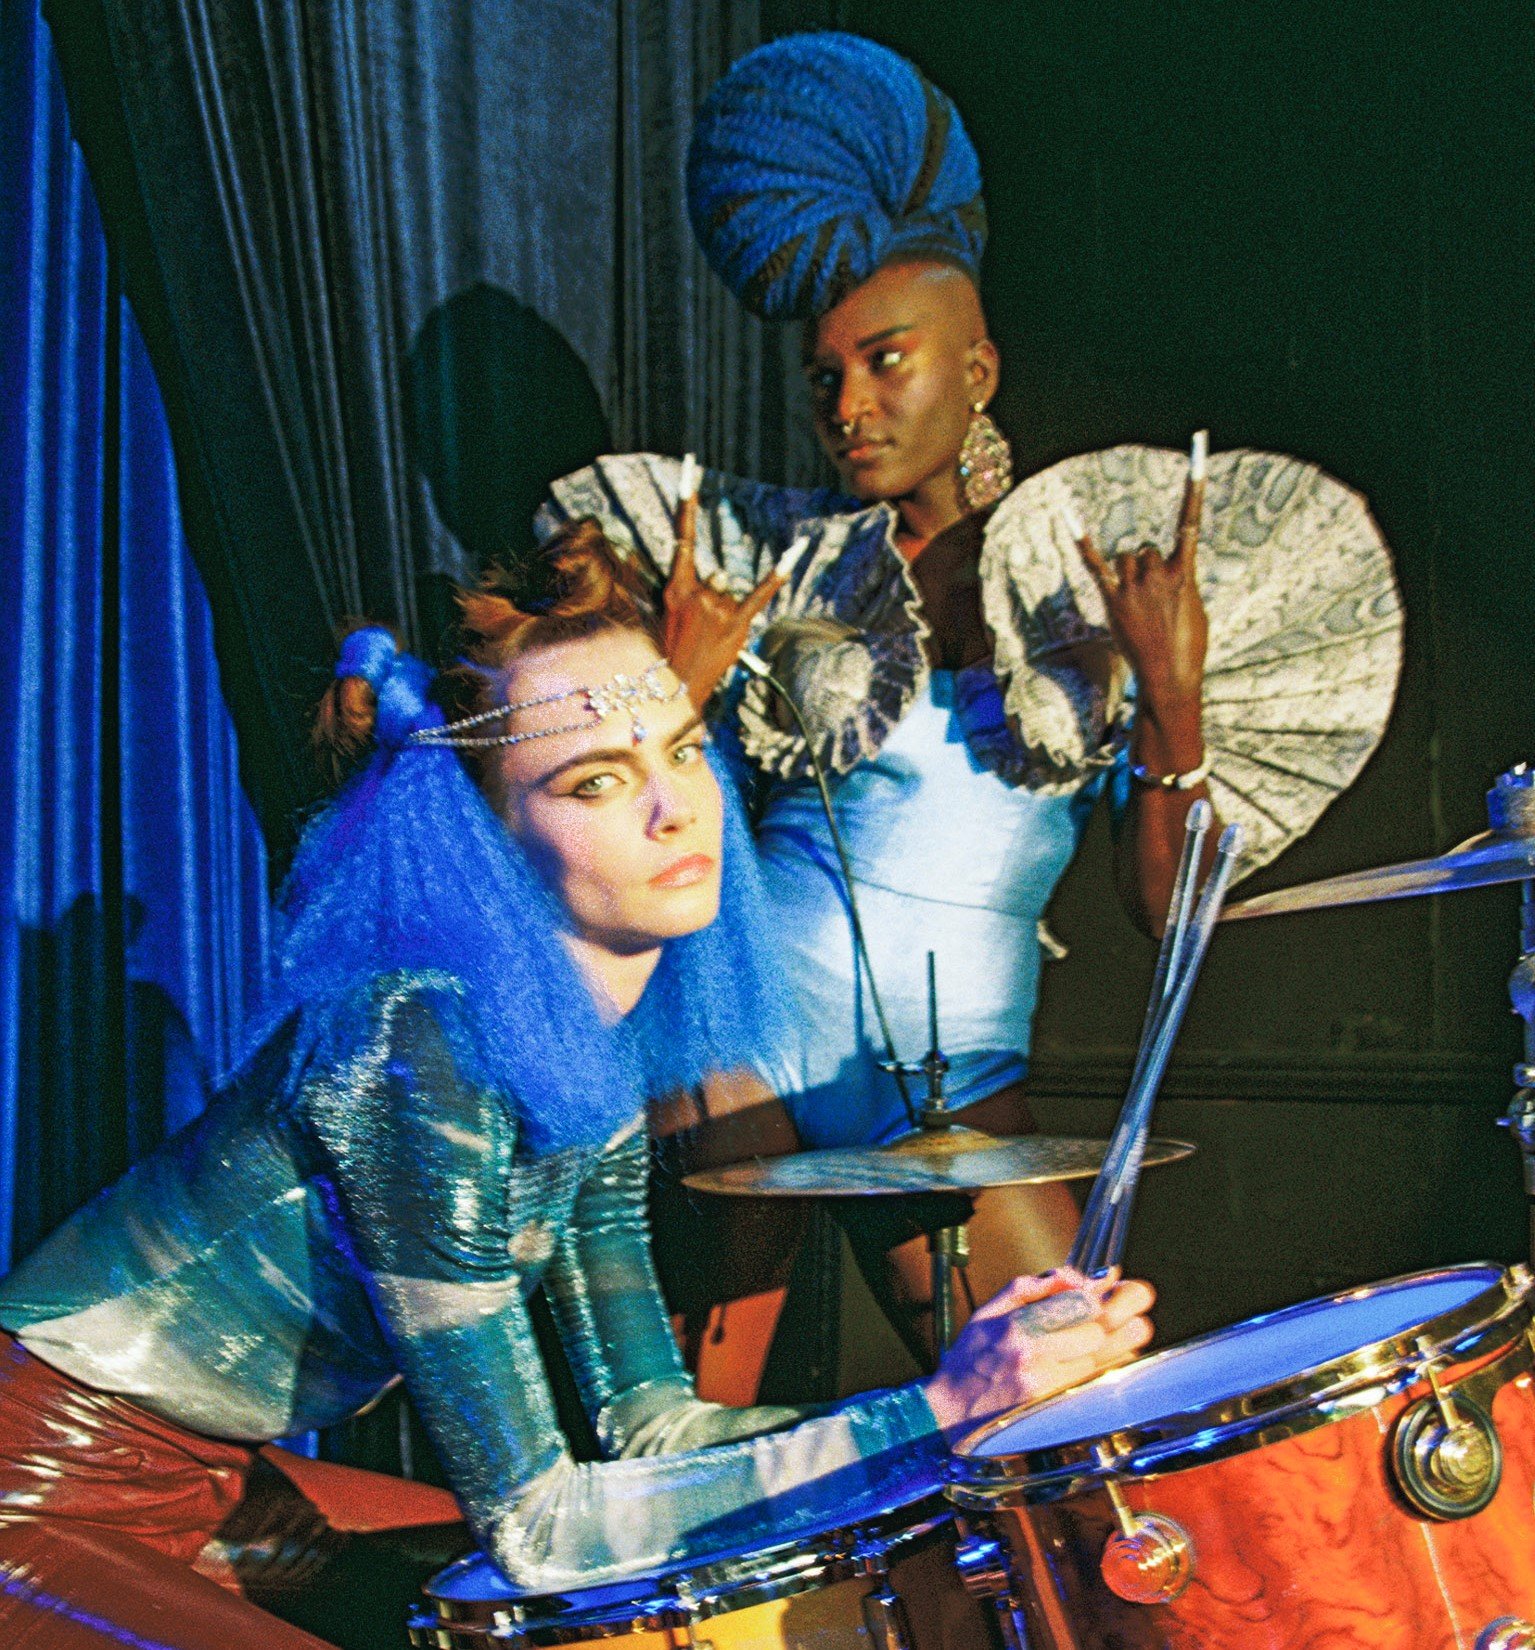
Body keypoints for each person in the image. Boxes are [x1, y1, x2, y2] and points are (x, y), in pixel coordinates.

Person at [0, 521, 1154, 1648]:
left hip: (219, 1486)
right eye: (597, 782)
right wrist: (933, 1415)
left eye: (684, 751)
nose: (675, 806)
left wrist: (974, 1405)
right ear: (488, 838)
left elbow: (649, 1426)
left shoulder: (588, 1055)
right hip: (33, 1488)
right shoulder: (413, 1046)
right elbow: (542, 1529)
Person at [538, 33, 1217, 1359]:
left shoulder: (1088, 590)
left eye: (886, 363)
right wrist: (673, 689)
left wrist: (1172, 694)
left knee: (1067, 1421)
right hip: (734, 1033)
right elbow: (600, 818)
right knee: (691, 1449)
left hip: (947, 1082)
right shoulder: (772, 569)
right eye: (823, 378)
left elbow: (1169, 915)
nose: (847, 406)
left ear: (976, 372)